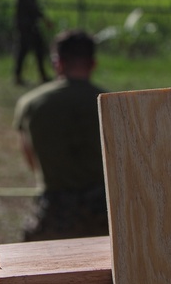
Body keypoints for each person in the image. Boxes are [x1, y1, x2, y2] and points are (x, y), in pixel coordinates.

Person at [12, 29, 109, 241]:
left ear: (57, 62)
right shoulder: (110, 103)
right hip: (105, 210)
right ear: (93, 64)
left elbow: (30, 157)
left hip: (56, 211)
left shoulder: (31, 103)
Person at [12, 0, 50, 85]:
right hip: (26, 23)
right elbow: (31, 6)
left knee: (36, 48)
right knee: (25, 49)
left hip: (26, 22)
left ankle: (41, 75)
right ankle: (19, 76)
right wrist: (44, 19)